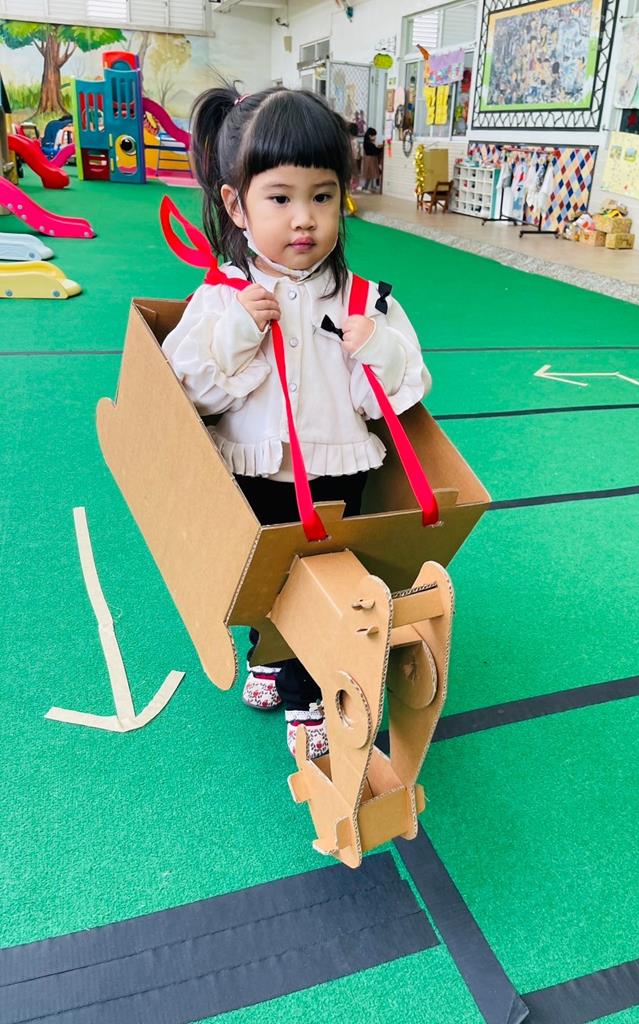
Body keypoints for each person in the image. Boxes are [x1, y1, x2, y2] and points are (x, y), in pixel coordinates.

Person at [162, 86, 431, 758]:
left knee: (327, 584)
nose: (304, 219)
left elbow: (395, 395)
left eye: (322, 196)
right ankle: (269, 653)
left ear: (343, 198)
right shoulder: (223, 296)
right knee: (264, 579)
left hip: (339, 470)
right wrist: (235, 334)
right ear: (236, 205)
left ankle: (307, 690)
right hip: (257, 469)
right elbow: (188, 394)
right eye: (280, 198)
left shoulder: (364, 299)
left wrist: (377, 347)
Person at [361, 127, 383, 192]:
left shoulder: (367, 142)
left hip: (370, 160)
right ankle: (366, 188)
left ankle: (371, 186)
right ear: (370, 135)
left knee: (372, 174)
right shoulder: (369, 144)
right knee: (370, 175)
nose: (375, 137)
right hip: (370, 161)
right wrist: (382, 148)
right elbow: (376, 151)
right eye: (374, 136)